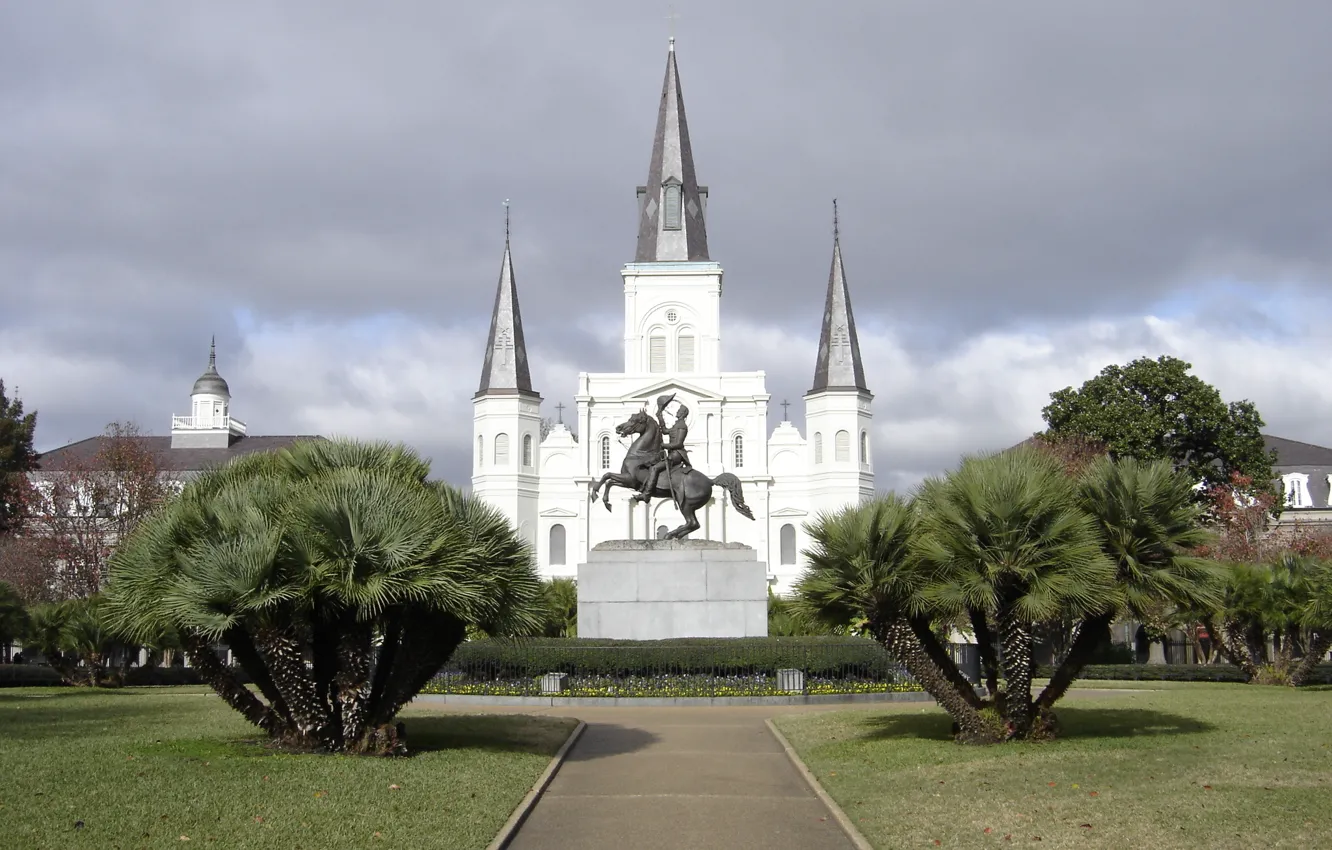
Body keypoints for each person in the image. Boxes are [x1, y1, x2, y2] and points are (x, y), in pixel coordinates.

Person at [633, 394, 690, 503]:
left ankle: (647, 494)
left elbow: (678, 444)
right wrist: (659, 415)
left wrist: (664, 446)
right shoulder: (677, 425)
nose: (677, 412)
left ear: (683, 413)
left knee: (655, 468)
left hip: (676, 455)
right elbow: (664, 431)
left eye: (679, 410)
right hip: (671, 454)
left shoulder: (682, 426)